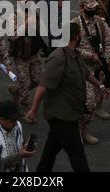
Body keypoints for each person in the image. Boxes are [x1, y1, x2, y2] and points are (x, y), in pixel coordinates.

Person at [26, 23, 104, 172]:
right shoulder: (58, 57)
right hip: (62, 114)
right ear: (76, 36)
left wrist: (100, 85)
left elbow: (85, 73)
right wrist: (33, 110)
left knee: (51, 149)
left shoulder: (74, 54)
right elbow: (43, 86)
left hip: (70, 111)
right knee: (77, 154)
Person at [71, 0, 110, 145]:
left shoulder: (100, 23)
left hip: (98, 69)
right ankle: (79, 130)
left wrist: (105, 60)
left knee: (94, 101)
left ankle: (83, 129)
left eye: (94, 7)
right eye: (90, 8)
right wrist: (89, 55)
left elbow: (108, 41)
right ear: (81, 8)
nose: (93, 10)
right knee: (88, 102)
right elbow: (69, 47)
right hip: (82, 70)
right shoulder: (74, 25)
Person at [8, 0, 48, 120]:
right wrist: (25, 25)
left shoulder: (34, 14)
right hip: (21, 56)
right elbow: (11, 36)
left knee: (38, 80)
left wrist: (44, 47)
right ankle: (26, 110)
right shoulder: (13, 17)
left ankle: (17, 90)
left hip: (33, 53)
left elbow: (37, 33)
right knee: (25, 83)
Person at [0, 101, 35, 172]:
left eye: (16, 120)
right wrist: (19, 155)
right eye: (12, 121)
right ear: (2, 119)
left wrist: (26, 145)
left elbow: (19, 144)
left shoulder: (17, 125)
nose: (16, 123)